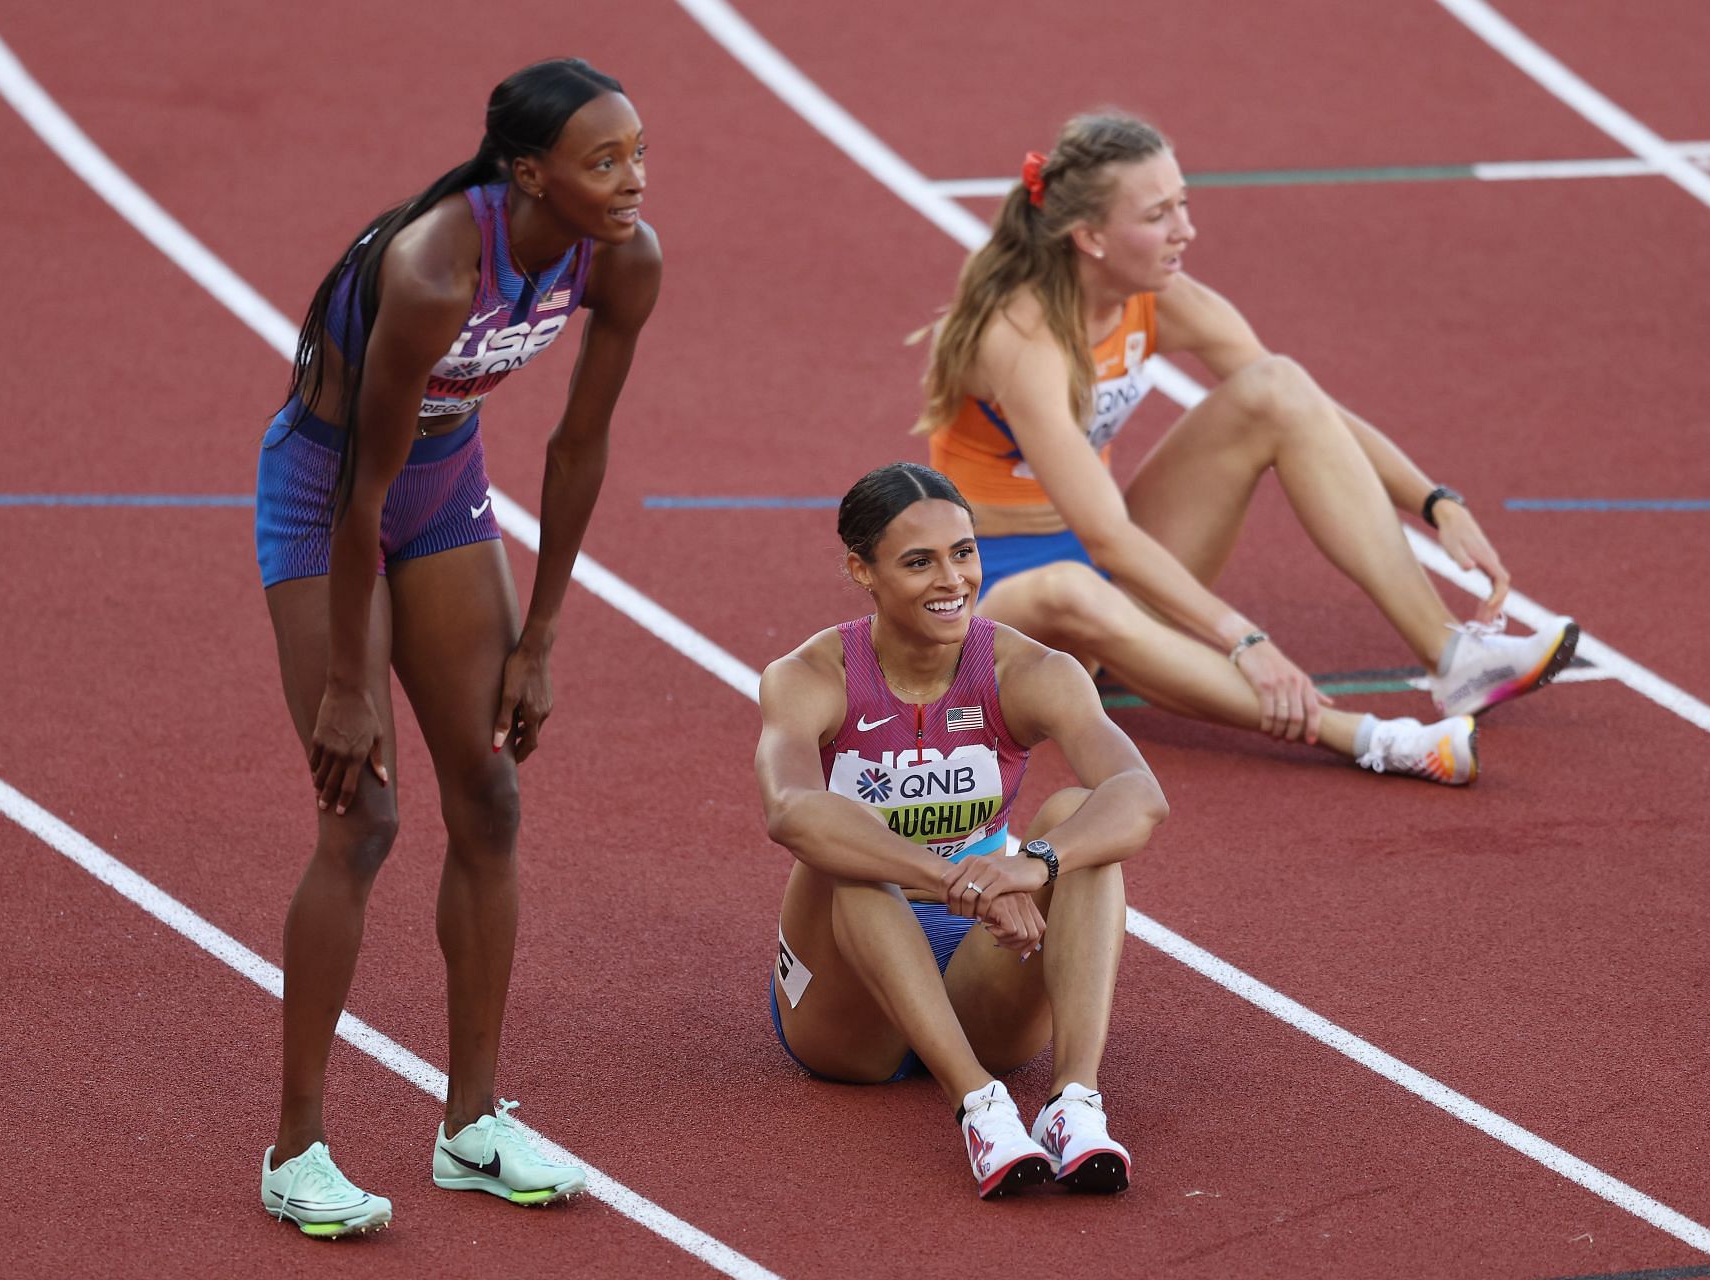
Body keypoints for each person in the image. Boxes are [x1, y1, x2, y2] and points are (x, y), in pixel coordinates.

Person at [251, 58, 660, 1236]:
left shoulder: (625, 258)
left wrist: (539, 638)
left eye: (639, 153)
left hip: (447, 485)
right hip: (332, 491)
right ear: (529, 175)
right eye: (604, 160)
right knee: (362, 816)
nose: (632, 179)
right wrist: (347, 682)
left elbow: (578, 449)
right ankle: (296, 1147)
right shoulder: (434, 270)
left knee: (489, 796)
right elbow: (358, 490)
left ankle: (470, 1124)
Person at [915, 113, 1579, 785]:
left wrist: (1436, 503)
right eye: (1157, 215)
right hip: (999, 594)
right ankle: (1372, 739)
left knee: (1278, 387)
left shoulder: (1157, 299)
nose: (1186, 230)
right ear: (1090, 237)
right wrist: (1243, 638)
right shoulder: (1023, 340)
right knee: (1073, 589)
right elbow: (1109, 537)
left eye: (1183, 204)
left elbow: (1309, 413)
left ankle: (1452, 656)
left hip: (1102, 564)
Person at [756, 462, 1170, 1199]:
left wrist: (1037, 863)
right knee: (843, 845)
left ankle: (1074, 1103)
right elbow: (789, 808)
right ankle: (980, 1107)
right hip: (846, 1005)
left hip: (979, 974)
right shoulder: (809, 674)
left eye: (964, 552)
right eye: (919, 562)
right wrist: (966, 882)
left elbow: (1140, 796)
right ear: (863, 570)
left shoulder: (1029, 669)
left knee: (1082, 820)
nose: (953, 580)